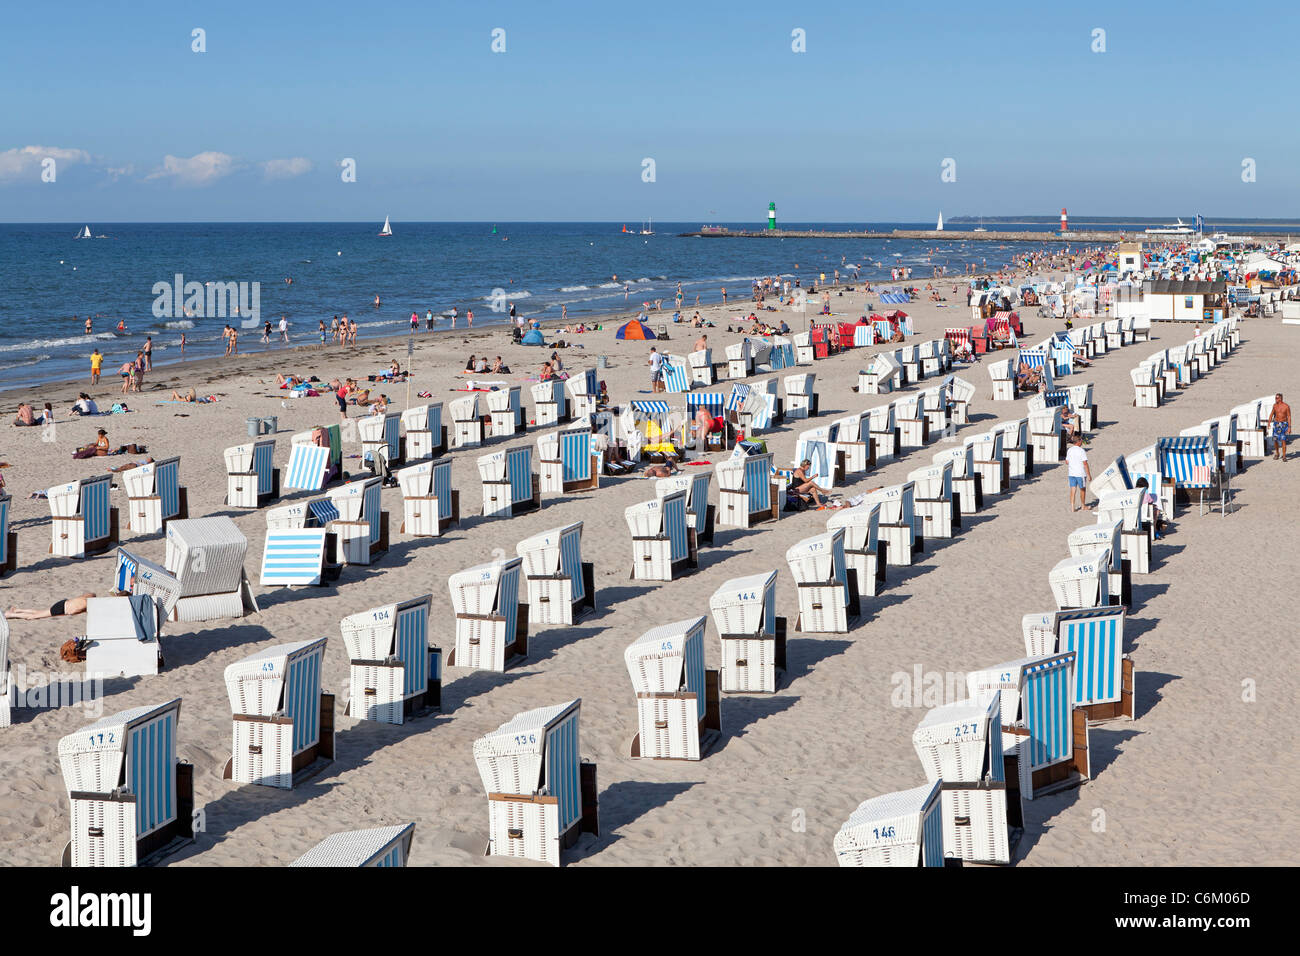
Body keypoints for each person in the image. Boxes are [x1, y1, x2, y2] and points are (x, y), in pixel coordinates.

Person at [6, 593, 95, 620]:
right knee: (33, 617)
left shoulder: (87, 599)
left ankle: (17, 610)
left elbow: (91, 594)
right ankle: (10, 614)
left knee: (39, 612)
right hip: (61, 609)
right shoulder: (89, 605)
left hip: (63, 604)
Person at [1066, 433, 1091, 512]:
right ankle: (1083, 505)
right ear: (1078, 441)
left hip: (1071, 473)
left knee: (1073, 489)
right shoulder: (1081, 451)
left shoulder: (1070, 450)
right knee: (1082, 489)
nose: (1081, 442)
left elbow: (1067, 461)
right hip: (1080, 473)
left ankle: (1072, 507)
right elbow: (1085, 463)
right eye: (1081, 440)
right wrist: (1089, 475)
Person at [1268, 392, 1291, 461]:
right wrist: (1269, 422)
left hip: (1284, 424)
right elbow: (1271, 414)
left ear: (1280, 398)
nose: (1275, 399)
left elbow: (1289, 417)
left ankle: (1284, 456)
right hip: (1276, 424)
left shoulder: (1286, 406)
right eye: (1275, 398)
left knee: (1283, 440)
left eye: (1277, 398)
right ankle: (1277, 453)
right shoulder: (1274, 406)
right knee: (1275, 440)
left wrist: (1289, 427)